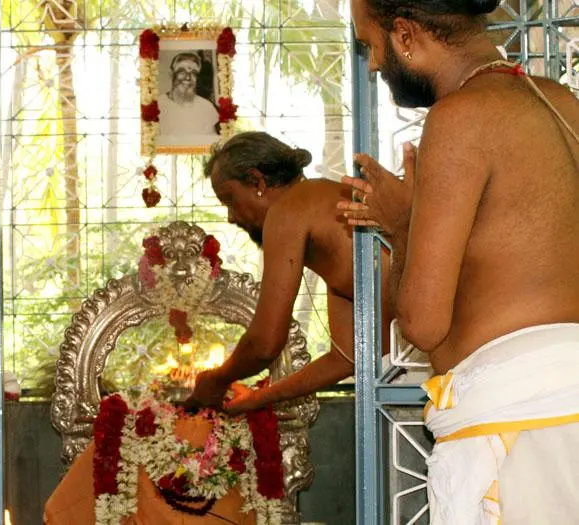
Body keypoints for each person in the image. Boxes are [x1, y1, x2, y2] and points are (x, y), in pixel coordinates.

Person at [339, 0, 579, 523]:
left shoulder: (460, 116)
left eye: (370, 43)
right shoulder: (561, 102)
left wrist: (402, 226)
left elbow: (424, 324)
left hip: (525, 432)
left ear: (404, 34)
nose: (374, 63)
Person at [184, 131, 392, 412]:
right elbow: (349, 357)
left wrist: (216, 379)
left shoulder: (289, 210)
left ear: (257, 181)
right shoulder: (323, 209)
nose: (231, 217)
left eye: (230, 200)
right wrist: (256, 399)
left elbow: (265, 343)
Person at [158, 52, 219, 141]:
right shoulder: (158, 105)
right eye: (182, 72)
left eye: (193, 73)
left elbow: (212, 142)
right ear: (171, 74)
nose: (188, 77)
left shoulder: (206, 106)